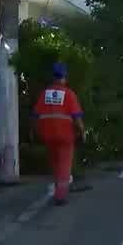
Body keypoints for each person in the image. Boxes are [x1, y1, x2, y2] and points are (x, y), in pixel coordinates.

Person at [32, 63, 85, 205]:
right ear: (64, 77)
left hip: (47, 135)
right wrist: (82, 132)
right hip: (65, 135)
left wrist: (36, 131)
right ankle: (60, 195)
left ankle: (57, 189)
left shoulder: (45, 94)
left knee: (55, 164)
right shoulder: (69, 94)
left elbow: (36, 115)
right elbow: (77, 117)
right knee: (64, 165)